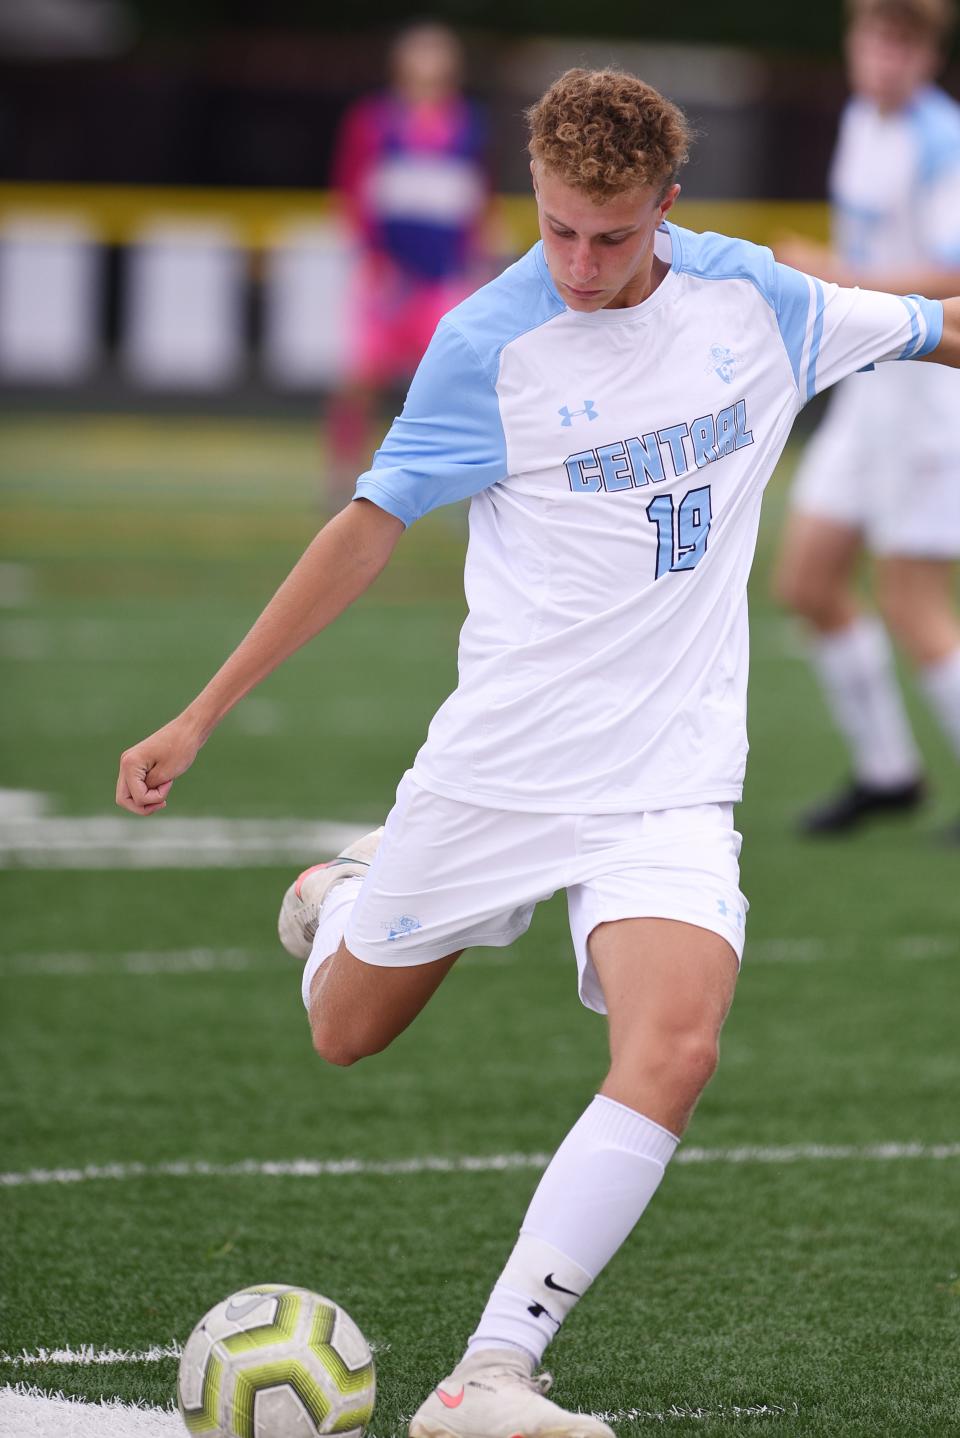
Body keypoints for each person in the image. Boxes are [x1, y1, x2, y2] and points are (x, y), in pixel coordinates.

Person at [117, 68, 958, 1438]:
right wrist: (200, 711)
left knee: (675, 1046)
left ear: (666, 210)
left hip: (670, 780)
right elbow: (367, 526)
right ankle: (344, 892)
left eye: (611, 234)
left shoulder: (759, 303)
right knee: (346, 1031)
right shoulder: (487, 343)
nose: (577, 261)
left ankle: (491, 1372)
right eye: (558, 227)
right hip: (499, 770)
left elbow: (934, 326)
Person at [773, 0, 960, 835]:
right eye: (874, 36)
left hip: (931, 394)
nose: (885, 56)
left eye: (904, 41)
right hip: (871, 385)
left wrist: (832, 278)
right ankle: (889, 775)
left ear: (928, 55)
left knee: (911, 599)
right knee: (807, 581)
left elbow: (950, 275)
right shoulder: (861, 120)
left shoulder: (942, 138)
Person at [326, 22, 492, 503]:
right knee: (359, 378)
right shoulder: (374, 122)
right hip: (385, 275)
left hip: (442, 277)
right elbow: (353, 194)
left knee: (454, 383)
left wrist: (471, 260)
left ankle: (453, 478)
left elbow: (473, 200)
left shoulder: (466, 125)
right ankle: (341, 472)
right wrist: (375, 262)